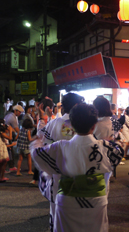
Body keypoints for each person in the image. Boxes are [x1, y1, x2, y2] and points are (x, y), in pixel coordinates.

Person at [31, 103, 124, 232]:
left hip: (67, 201)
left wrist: (36, 143)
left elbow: (37, 154)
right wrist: (110, 142)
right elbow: (119, 151)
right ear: (93, 125)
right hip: (96, 201)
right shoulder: (105, 147)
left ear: (72, 126)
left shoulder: (60, 147)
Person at [36, 93, 84, 230]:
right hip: (79, 173)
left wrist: (41, 118)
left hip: (57, 173)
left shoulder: (55, 123)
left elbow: (41, 140)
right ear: (76, 105)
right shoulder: (83, 123)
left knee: (57, 206)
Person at [4, 105, 23, 172]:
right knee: (9, 152)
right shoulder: (12, 118)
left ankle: (9, 166)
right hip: (8, 136)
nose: (20, 113)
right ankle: (9, 167)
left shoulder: (10, 115)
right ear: (15, 111)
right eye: (19, 112)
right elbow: (17, 129)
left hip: (7, 135)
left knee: (9, 151)